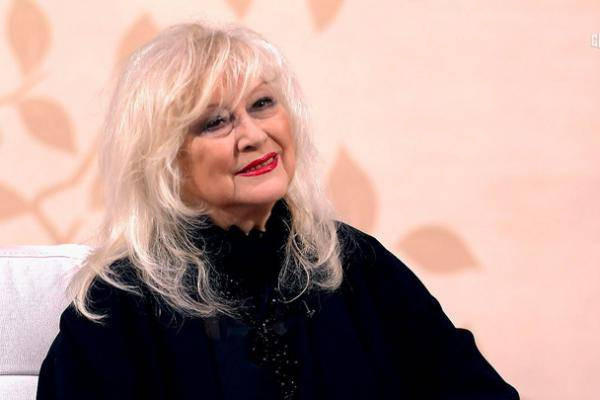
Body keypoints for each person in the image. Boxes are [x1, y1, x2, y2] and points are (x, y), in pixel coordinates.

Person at [36, 21, 520, 400]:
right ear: (167, 160)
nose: (253, 135)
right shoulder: (117, 303)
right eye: (216, 122)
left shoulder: (355, 261)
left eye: (263, 103)